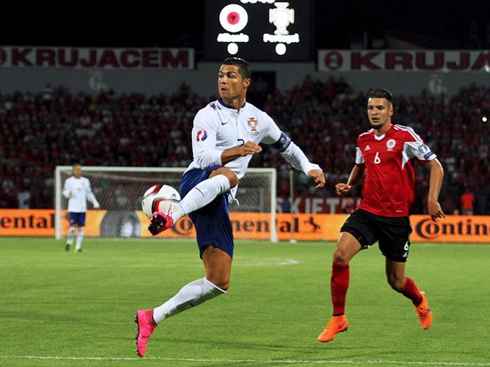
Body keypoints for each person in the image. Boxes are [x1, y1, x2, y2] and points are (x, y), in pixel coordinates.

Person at [134, 57, 325, 357]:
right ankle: (174, 213)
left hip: (219, 193)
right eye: (221, 75)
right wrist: (237, 150)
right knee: (231, 174)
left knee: (219, 281)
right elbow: (202, 158)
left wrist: (308, 166)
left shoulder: (259, 119)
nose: (223, 81)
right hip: (197, 181)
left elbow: (286, 146)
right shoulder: (206, 115)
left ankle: (152, 317)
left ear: (246, 82)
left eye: (231, 76)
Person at [317, 88, 445, 343]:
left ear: (390, 111)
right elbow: (360, 165)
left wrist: (431, 199)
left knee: (396, 281)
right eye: (371, 108)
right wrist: (350, 184)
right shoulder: (363, 139)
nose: (374, 113)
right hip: (368, 211)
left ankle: (419, 299)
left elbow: (435, 165)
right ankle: (338, 318)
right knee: (340, 254)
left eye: (379, 108)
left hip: (396, 219)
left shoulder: (405, 136)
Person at [62, 163, 100, 252]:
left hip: (82, 208)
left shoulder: (86, 181)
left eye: (79, 169)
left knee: (80, 228)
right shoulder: (69, 181)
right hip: (73, 208)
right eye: (76, 169)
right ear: (73, 171)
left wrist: (95, 203)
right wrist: (68, 194)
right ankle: (69, 241)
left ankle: (78, 247)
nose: (78, 171)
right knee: (72, 228)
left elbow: (89, 193)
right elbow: (65, 192)